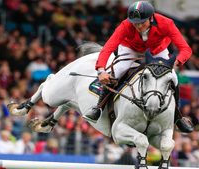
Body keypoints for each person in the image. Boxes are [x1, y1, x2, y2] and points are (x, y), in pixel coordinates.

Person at [83, 1, 193, 133]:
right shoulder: (126, 25)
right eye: (136, 23)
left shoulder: (166, 23)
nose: (139, 26)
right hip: (131, 48)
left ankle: (177, 117)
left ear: (151, 18)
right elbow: (108, 48)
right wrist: (101, 70)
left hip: (156, 50)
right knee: (118, 71)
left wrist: (176, 63)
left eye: (142, 22)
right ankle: (98, 107)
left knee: (173, 78)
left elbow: (185, 49)